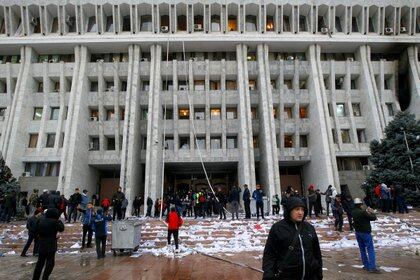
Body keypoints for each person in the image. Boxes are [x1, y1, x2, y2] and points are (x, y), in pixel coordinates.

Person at [262, 197, 323, 279]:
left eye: (302, 209)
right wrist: (268, 275)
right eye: (297, 209)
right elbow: (269, 255)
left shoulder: (309, 228)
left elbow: (317, 253)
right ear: (289, 211)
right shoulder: (278, 228)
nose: (300, 213)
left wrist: (319, 274)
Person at [32, 208, 65, 280]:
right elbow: (61, 228)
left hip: (41, 243)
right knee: (50, 262)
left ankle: (35, 278)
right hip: (51, 243)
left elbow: (35, 230)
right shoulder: (55, 222)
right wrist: (59, 220)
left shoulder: (40, 220)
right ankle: (45, 277)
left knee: (40, 262)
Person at [351, 198, 379, 273]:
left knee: (362, 249)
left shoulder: (353, 212)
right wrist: (372, 212)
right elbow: (373, 218)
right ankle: (372, 267)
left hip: (358, 233)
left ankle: (366, 265)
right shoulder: (362, 212)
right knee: (370, 249)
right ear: (360, 204)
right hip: (365, 233)